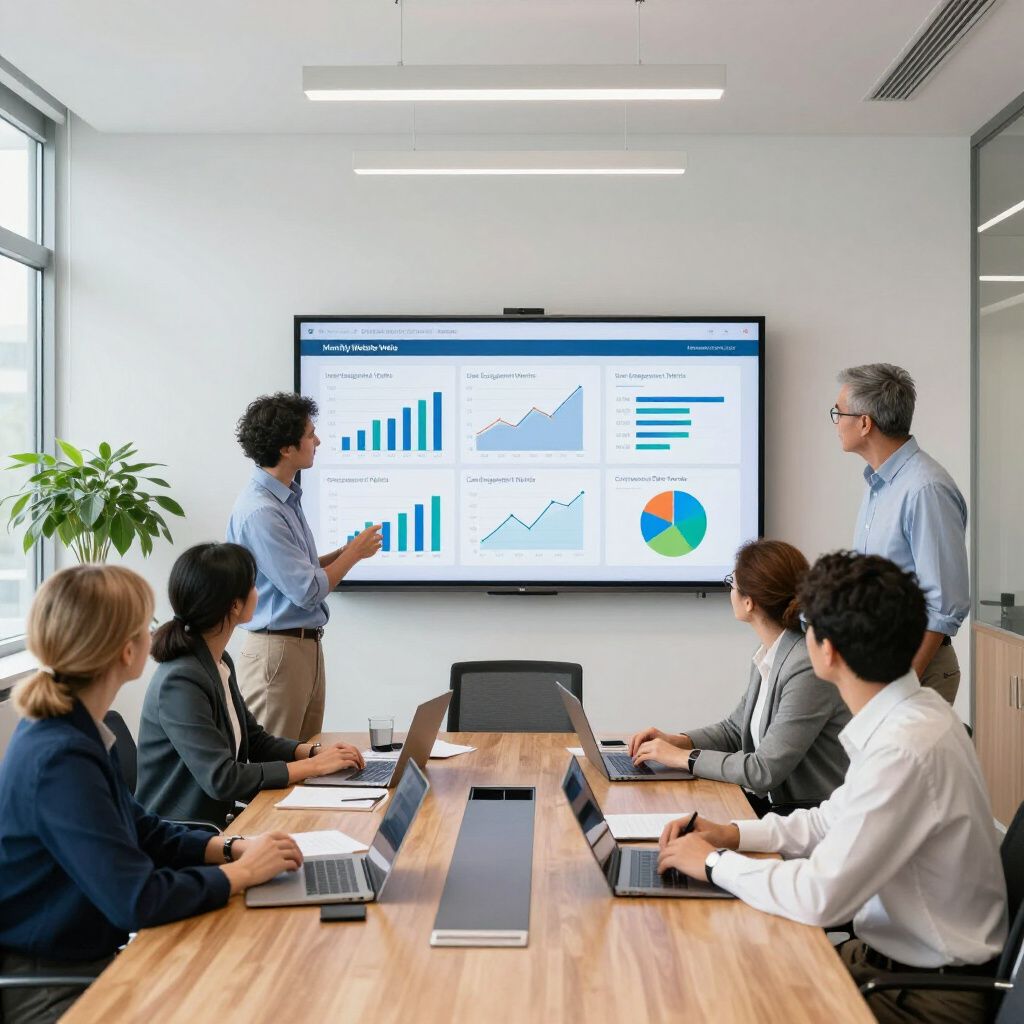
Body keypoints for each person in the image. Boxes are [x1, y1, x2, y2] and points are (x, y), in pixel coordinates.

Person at [657, 552, 1007, 1024]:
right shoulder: (913, 714)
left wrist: (715, 863)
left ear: (827, 650)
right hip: (886, 966)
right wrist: (731, 835)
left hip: (924, 998)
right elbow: (827, 820)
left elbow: (822, 896)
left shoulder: (904, 748)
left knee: (724, 996)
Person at [0, 564, 304, 1024]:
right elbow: (137, 899)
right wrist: (240, 875)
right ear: (126, 651)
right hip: (57, 989)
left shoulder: (73, 730)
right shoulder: (59, 758)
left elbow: (140, 827)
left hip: (91, 960)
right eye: (146, 624)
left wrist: (230, 848)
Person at [136, 543, 366, 827]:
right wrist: (314, 767)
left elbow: (255, 741)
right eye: (254, 585)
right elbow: (222, 779)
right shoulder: (180, 680)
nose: (259, 592)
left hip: (218, 824)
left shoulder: (218, 662)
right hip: (186, 836)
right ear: (235, 605)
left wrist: (314, 752)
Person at [628, 539, 850, 813]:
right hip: (773, 807)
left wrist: (682, 757)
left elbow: (763, 770)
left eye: (731, 582)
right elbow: (734, 730)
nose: (729, 590)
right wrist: (678, 740)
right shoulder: (771, 651)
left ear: (749, 602)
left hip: (805, 815)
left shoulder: (805, 667)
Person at [227, 392, 382, 739]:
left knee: (303, 761)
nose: (318, 441)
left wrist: (343, 551)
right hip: (278, 652)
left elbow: (304, 570)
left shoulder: (284, 498)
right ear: (286, 448)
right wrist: (353, 554)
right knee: (275, 769)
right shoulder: (262, 511)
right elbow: (307, 589)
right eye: (311, 434)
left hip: (300, 649)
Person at [832, 363, 968, 703]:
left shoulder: (925, 489)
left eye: (839, 413)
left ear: (864, 423)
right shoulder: (880, 484)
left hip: (914, 669)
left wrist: (901, 684)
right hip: (881, 665)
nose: (836, 423)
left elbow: (943, 607)